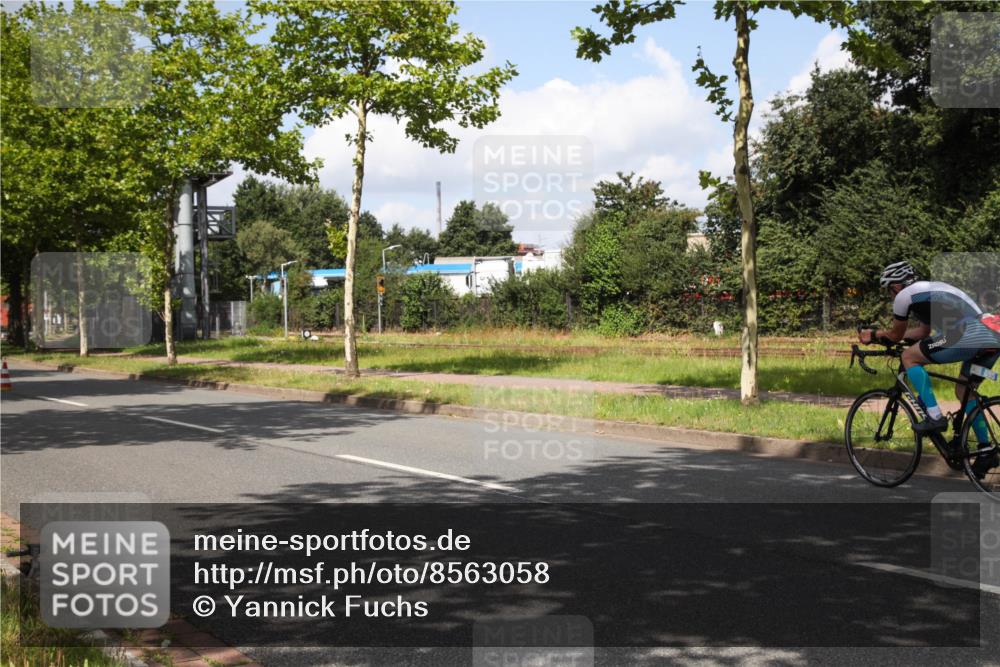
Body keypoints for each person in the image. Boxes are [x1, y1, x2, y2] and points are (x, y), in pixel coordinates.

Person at [859, 262, 1000, 466]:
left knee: (909, 357)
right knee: (964, 390)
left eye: (889, 289)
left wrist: (873, 335)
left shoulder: (904, 296)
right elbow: (921, 333)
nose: (891, 295)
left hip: (968, 332)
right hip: (991, 335)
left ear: (896, 286)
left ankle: (934, 417)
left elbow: (895, 334)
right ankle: (986, 451)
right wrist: (892, 337)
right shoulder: (929, 292)